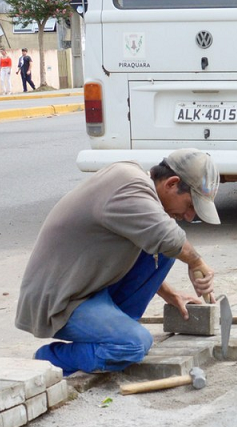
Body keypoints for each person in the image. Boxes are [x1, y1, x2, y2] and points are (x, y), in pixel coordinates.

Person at [16, 149, 222, 375]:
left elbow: (161, 243)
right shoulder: (128, 186)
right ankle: (48, 360)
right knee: (135, 344)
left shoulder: (137, 189)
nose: (190, 216)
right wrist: (196, 263)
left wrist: (170, 294)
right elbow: (168, 237)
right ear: (171, 184)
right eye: (190, 206)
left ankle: (115, 332)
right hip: (61, 301)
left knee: (163, 254)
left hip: (88, 288)